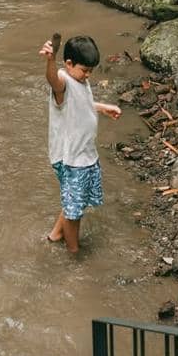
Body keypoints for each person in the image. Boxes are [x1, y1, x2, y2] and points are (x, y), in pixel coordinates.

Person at [39, 33, 121, 254]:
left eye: (91, 71)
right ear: (68, 64)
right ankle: (73, 250)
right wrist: (50, 60)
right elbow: (53, 82)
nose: (88, 75)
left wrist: (103, 107)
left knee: (76, 199)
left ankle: (55, 234)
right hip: (71, 159)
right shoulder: (64, 80)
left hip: (84, 154)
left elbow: (82, 104)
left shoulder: (80, 81)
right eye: (85, 70)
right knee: (74, 211)